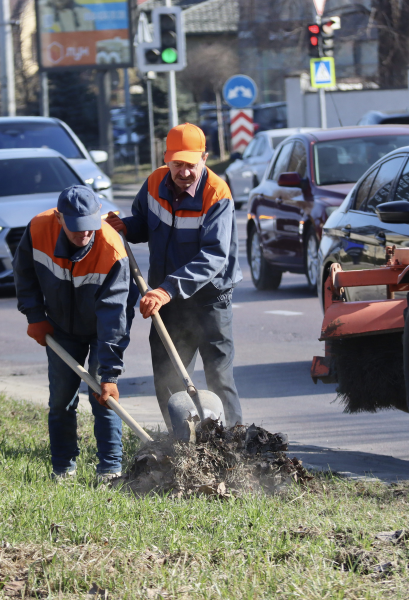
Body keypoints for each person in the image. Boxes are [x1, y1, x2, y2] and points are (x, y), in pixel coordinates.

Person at [106, 123, 243, 431]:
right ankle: (183, 441)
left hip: (209, 299)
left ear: (204, 158)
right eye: (178, 164)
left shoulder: (216, 194)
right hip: (166, 300)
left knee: (219, 376)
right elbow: (144, 221)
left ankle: (234, 442)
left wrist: (166, 289)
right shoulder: (155, 182)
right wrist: (126, 227)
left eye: (191, 164)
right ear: (166, 159)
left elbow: (213, 256)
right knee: (168, 375)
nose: (184, 172)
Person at [13, 185, 132, 481]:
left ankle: (110, 469)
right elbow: (24, 272)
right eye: (77, 228)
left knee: (104, 397)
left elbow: (114, 316)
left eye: (90, 226)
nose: (85, 234)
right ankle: (63, 468)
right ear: (59, 218)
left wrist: (110, 373)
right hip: (61, 328)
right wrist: (35, 316)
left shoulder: (112, 250)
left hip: (102, 330)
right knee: (61, 400)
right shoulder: (39, 229)